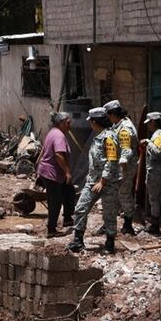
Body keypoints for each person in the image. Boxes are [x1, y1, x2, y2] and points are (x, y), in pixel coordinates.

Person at [68, 107, 121, 254]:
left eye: (91, 121)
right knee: (80, 208)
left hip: (107, 182)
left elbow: (111, 161)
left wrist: (102, 182)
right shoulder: (98, 137)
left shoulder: (109, 137)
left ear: (95, 121)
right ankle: (78, 241)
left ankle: (110, 243)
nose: (90, 124)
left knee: (109, 213)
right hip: (93, 181)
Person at [37, 111, 75, 237]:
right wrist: (68, 172)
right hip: (51, 173)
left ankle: (68, 219)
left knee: (69, 192)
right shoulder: (59, 136)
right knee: (55, 201)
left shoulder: (53, 132)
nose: (70, 125)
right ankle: (51, 229)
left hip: (53, 172)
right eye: (68, 123)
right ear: (61, 123)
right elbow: (59, 155)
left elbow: (44, 150)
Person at [104, 100, 138, 235]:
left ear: (113, 114)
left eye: (108, 115)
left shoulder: (124, 128)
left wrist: (123, 167)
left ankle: (128, 224)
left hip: (125, 168)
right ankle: (109, 223)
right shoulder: (117, 125)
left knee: (124, 195)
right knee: (113, 195)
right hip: (117, 167)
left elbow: (126, 150)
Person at [142, 111, 161, 235]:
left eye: (149, 123)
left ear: (153, 122)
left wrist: (148, 142)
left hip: (156, 172)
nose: (148, 125)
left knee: (154, 199)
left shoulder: (158, 135)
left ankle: (155, 225)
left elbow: (157, 152)